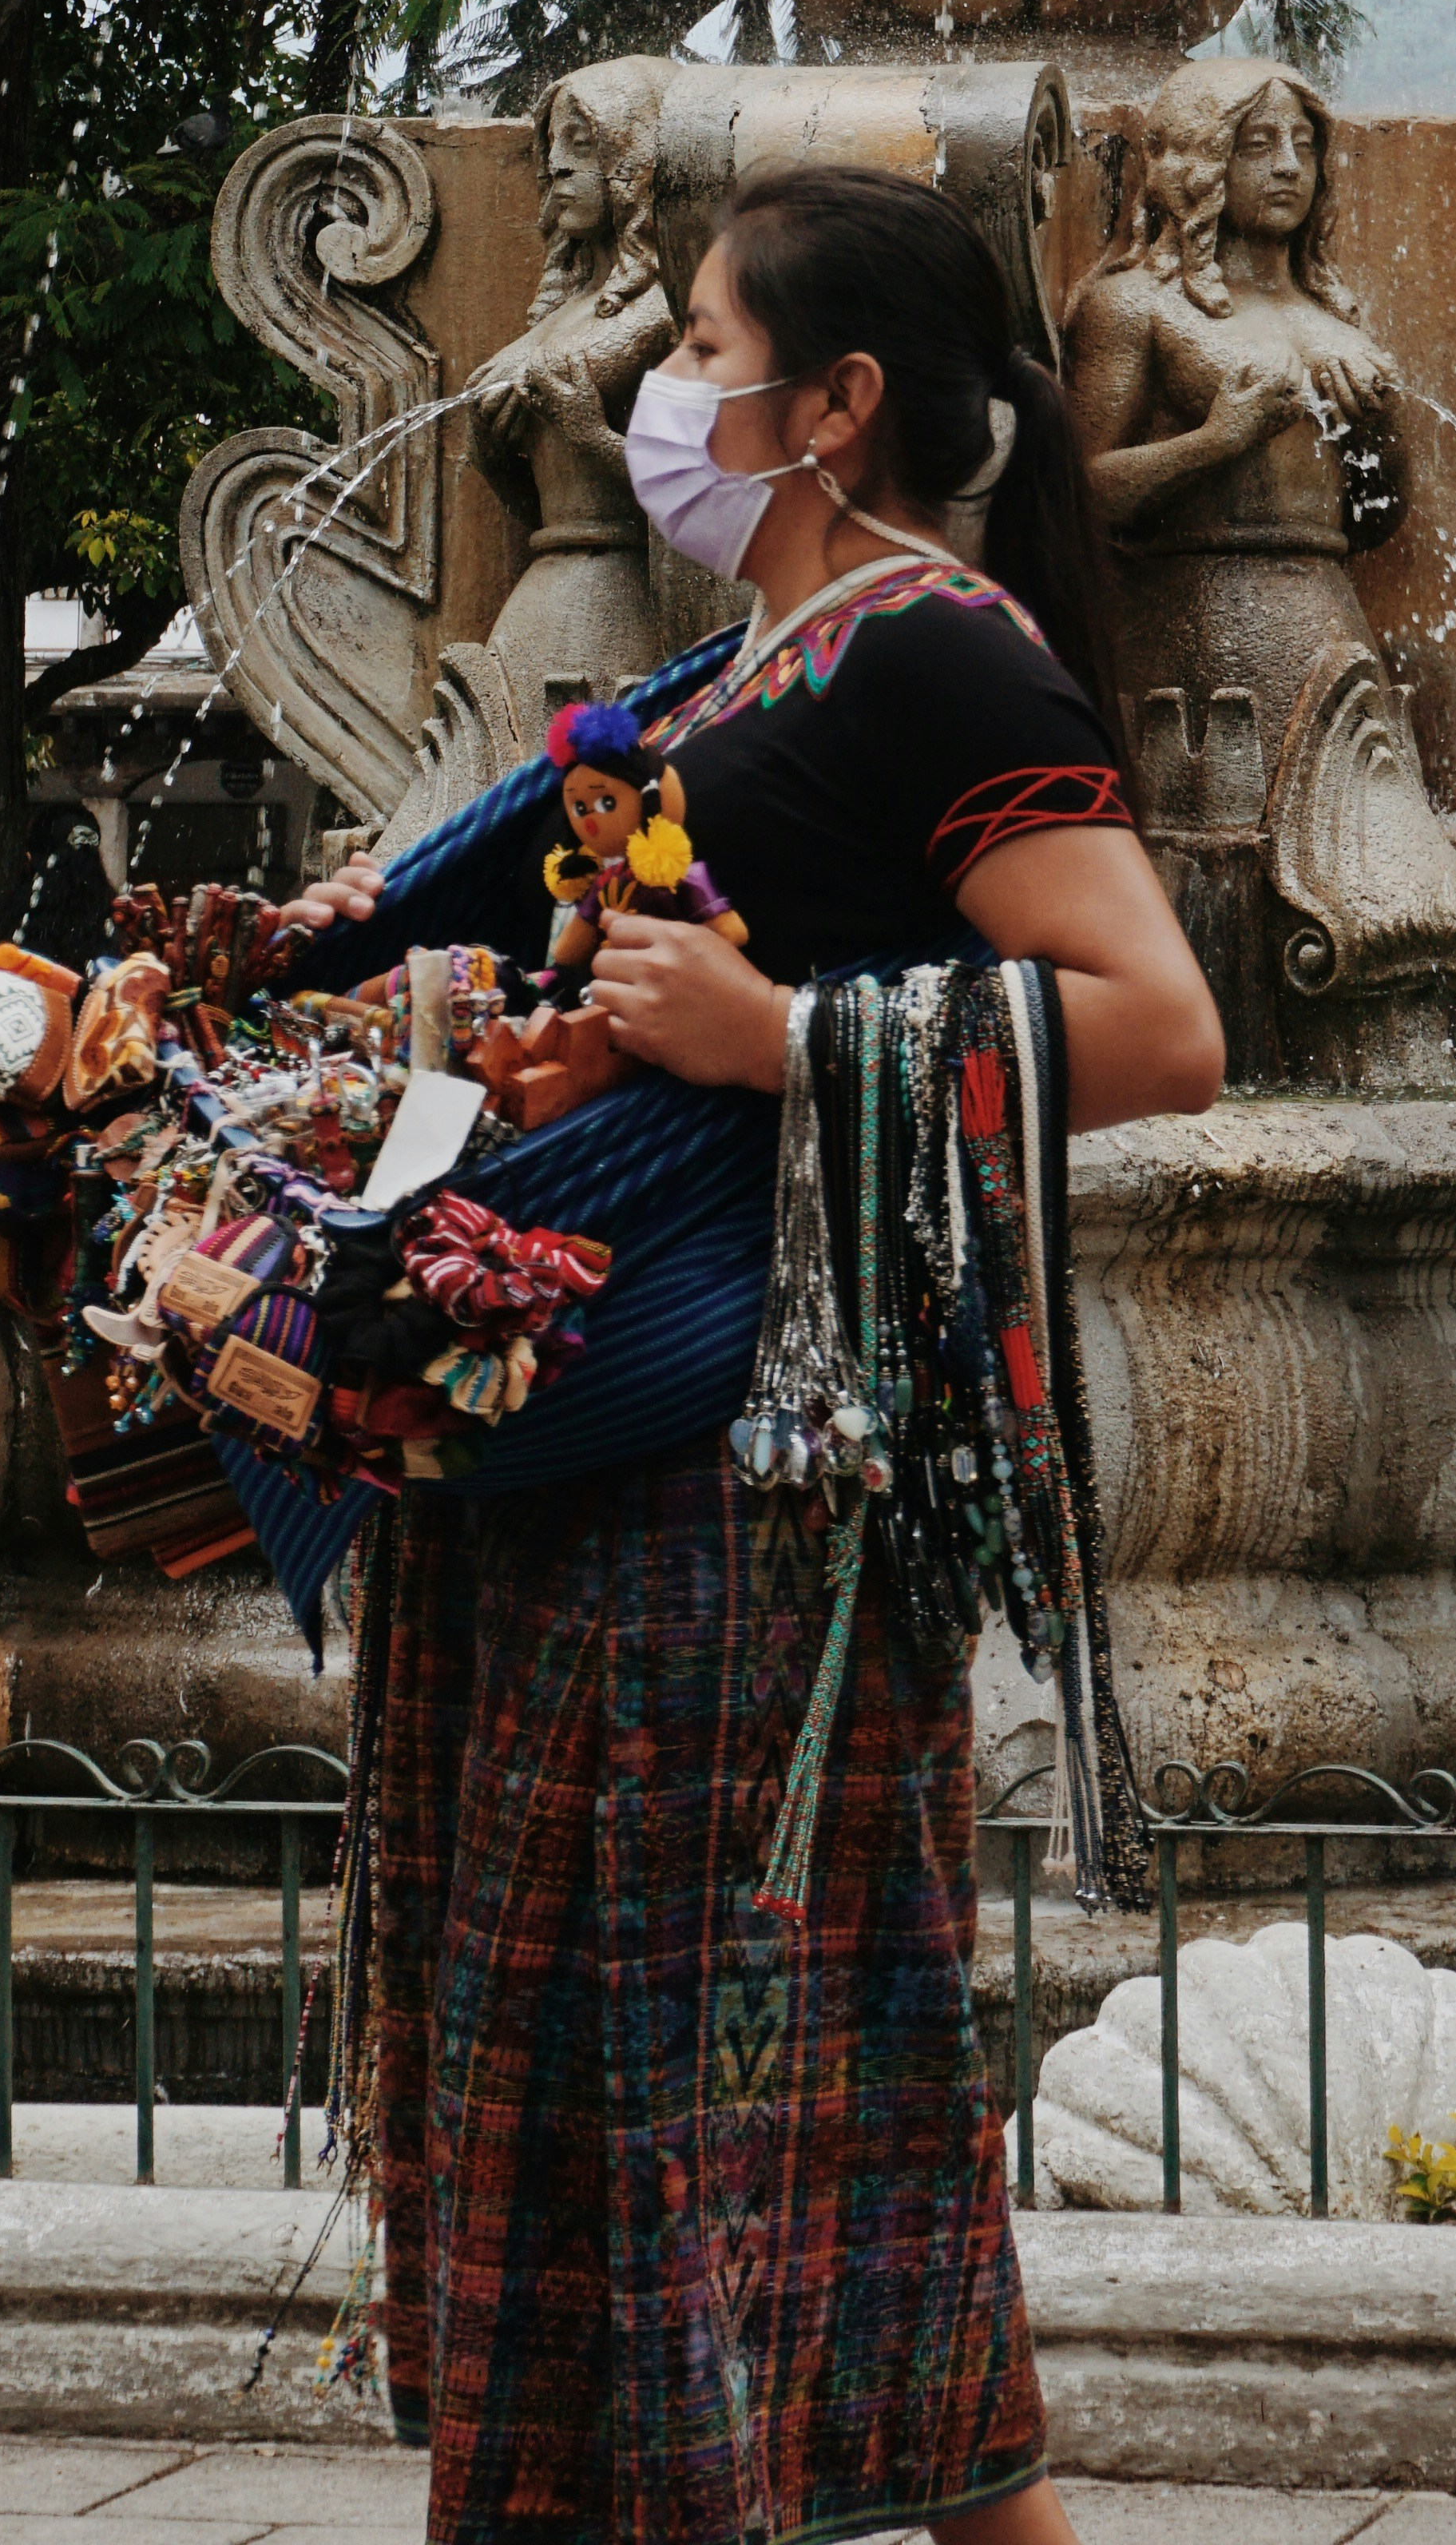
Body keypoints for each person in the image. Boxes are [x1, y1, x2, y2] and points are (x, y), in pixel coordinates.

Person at [276, 162, 1224, 2545]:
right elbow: (677, 1013)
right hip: (601, 1462)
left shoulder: (937, 650)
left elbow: (1159, 1027)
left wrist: (778, 1028)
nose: (653, 391)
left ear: (840, 400)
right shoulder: (734, 673)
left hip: (747, 1486)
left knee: (695, 2077)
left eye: (696, 342)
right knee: (772, 2077)